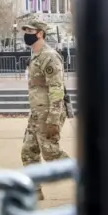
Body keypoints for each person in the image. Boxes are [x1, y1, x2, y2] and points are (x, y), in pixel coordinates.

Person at [20, 20, 70, 200]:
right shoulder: (36, 56)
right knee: (28, 151)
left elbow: (57, 88)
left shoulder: (49, 56)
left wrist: (53, 118)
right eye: (25, 30)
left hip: (49, 113)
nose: (26, 33)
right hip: (36, 113)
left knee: (51, 154)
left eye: (29, 30)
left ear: (40, 33)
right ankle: (34, 192)